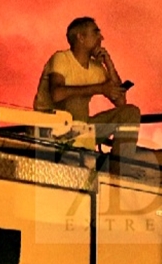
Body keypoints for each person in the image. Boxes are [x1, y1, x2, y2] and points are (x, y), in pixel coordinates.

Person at [34, 17, 142, 173]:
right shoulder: (61, 58)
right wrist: (99, 88)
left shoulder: (96, 68)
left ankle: (120, 172)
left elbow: (120, 101)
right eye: (96, 33)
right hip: (51, 131)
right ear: (81, 37)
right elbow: (57, 94)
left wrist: (109, 64)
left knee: (130, 113)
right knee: (73, 102)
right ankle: (77, 158)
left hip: (82, 131)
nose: (101, 38)